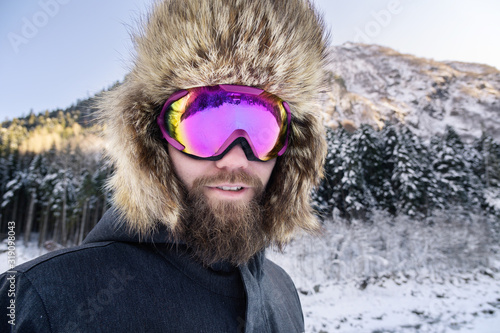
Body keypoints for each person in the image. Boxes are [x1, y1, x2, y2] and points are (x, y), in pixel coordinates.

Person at [0, 0, 329, 331]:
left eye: (262, 131)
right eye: (205, 126)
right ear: (152, 136)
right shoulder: (41, 300)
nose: (235, 158)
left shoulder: (283, 291)